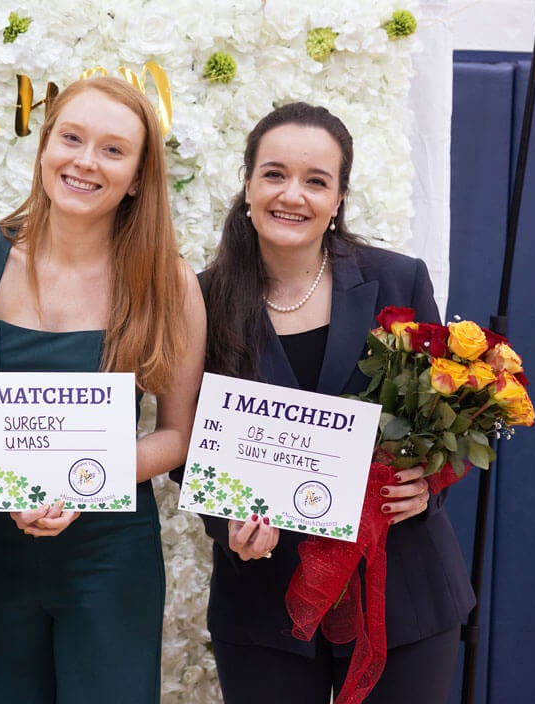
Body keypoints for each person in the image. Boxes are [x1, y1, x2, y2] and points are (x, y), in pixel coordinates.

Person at [195, 102, 475, 703]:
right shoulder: (202, 299)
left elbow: (443, 420)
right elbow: (188, 443)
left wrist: (426, 484)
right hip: (264, 599)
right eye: (274, 174)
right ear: (247, 185)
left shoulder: (399, 280)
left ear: (339, 197)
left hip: (400, 591)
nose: (291, 194)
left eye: (315, 180)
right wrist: (228, 524)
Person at [0, 76, 207, 703]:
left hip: (111, 557)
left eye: (113, 149)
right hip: (0, 548)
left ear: (139, 177)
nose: (85, 161)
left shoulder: (169, 283)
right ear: (44, 146)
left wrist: (80, 476)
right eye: (71, 138)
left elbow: (177, 436)